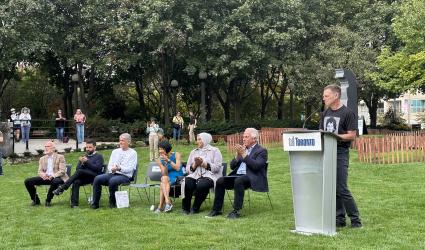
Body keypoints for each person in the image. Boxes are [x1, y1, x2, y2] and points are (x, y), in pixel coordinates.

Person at [319, 84, 362, 228]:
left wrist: (335, 136)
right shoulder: (325, 113)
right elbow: (321, 132)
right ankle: (339, 219)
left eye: (326, 96)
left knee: (342, 188)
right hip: (326, 152)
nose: (323, 98)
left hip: (340, 153)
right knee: (332, 187)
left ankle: (356, 220)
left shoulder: (347, 113)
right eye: (324, 96)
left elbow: (352, 135)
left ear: (336, 96)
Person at [206, 128, 268, 219]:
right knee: (220, 181)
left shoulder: (261, 151)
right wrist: (237, 156)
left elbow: (256, 166)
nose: (243, 139)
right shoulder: (243, 149)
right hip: (237, 175)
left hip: (252, 176)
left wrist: (244, 154)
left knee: (239, 180)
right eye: (243, 137)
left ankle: (236, 211)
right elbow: (232, 166)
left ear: (254, 139)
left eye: (246, 137)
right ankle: (216, 209)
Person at [91, 133, 137, 209]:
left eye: (123, 140)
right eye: (120, 140)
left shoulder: (133, 153)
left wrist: (119, 168)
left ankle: (112, 203)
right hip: (113, 173)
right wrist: (112, 169)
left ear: (128, 142)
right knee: (97, 178)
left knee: (113, 181)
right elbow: (109, 165)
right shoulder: (115, 152)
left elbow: (130, 168)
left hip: (125, 176)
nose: (120, 142)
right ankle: (95, 204)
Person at [53, 139, 104, 208]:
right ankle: (74, 204)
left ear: (94, 147)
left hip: (95, 177)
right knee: (76, 181)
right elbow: (77, 169)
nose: (88, 149)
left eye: (90, 147)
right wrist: (82, 163)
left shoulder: (99, 156)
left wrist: (87, 162)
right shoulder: (84, 155)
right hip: (85, 177)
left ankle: (63, 187)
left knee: (80, 172)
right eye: (87, 147)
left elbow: (98, 169)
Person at [182, 132, 223, 214]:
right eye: (197, 139)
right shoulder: (193, 151)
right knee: (187, 182)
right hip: (195, 175)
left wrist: (204, 164)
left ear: (206, 140)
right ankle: (185, 209)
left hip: (210, 175)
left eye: (200, 139)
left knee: (202, 184)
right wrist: (194, 165)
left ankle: (195, 208)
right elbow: (187, 168)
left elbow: (217, 167)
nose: (198, 141)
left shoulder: (215, 151)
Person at [24, 141, 68, 206]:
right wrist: (43, 174)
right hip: (46, 178)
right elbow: (39, 171)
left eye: (48, 146)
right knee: (28, 181)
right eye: (45, 147)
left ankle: (48, 200)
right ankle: (36, 200)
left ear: (53, 148)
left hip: (58, 177)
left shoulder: (60, 157)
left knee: (55, 181)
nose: (46, 148)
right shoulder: (42, 159)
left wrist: (53, 176)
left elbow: (62, 171)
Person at [153, 140, 183, 213]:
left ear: (166, 148)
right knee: (164, 178)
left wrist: (168, 160)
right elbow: (164, 173)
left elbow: (178, 168)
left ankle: (161, 206)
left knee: (162, 183)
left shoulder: (176, 154)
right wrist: (163, 164)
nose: (160, 151)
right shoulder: (160, 159)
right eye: (159, 149)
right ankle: (167, 203)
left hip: (178, 177)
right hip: (167, 178)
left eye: (161, 149)